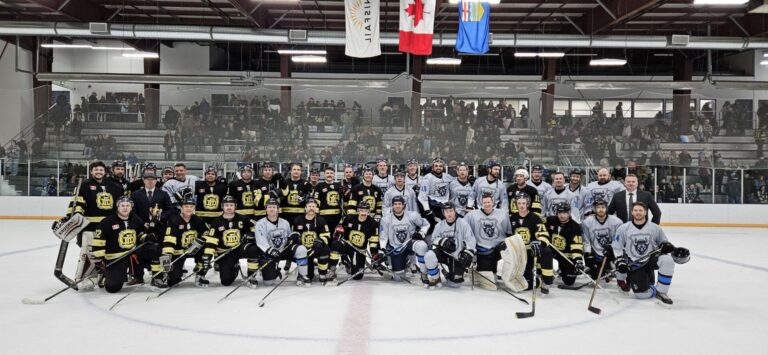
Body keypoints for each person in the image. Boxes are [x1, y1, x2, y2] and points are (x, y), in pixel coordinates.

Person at [612, 201, 690, 305]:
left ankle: (661, 291)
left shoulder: (655, 228)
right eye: (635, 210)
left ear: (645, 212)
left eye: (640, 210)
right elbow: (617, 247)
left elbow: (664, 242)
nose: (638, 212)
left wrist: (667, 246)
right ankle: (644, 282)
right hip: (635, 264)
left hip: (651, 259)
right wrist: (620, 261)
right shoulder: (623, 228)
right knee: (641, 295)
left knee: (667, 260)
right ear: (632, 212)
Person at [66, 161, 125, 288]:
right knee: (89, 253)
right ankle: (84, 279)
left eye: (101, 170)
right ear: (91, 171)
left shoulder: (114, 186)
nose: (99, 172)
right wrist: (72, 217)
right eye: (96, 170)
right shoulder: (84, 185)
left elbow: (121, 206)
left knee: (107, 253)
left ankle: (103, 277)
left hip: (109, 228)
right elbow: (78, 204)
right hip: (90, 227)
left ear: (105, 172)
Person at [92, 196, 163, 292]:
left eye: (127, 205)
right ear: (117, 207)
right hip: (116, 257)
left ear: (131, 207)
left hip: (133, 252)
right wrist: (100, 260)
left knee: (154, 248)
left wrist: (146, 237)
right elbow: (98, 242)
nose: (125, 208)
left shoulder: (135, 218)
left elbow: (139, 235)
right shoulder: (107, 222)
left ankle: (156, 276)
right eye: (122, 205)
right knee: (113, 288)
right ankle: (106, 275)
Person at [198, 195, 260, 287]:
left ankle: (251, 276)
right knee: (226, 281)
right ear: (222, 206)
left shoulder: (243, 218)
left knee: (253, 249)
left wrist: (251, 234)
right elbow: (211, 240)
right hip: (225, 252)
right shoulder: (216, 222)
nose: (229, 207)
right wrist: (208, 254)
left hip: (239, 248)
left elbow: (257, 227)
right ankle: (235, 268)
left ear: (235, 206)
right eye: (226, 205)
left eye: (231, 205)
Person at [377, 195, 432, 285]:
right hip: (396, 248)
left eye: (399, 204)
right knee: (398, 278)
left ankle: (424, 273)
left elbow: (426, 224)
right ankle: (404, 263)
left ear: (403, 205)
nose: (397, 206)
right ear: (392, 206)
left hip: (409, 243)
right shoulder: (386, 219)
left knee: (422, 246)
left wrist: (421, 233)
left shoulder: (412, 215)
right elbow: (383, 236)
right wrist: (382, 249)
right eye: (395, 204)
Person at [420, 202, 476, 288]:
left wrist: (467, 254)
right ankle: (435, 277)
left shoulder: (463, 224)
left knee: (455, 284)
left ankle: (448, 275)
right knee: (429, 255)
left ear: (454, 211)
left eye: (450, 211)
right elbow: (433, 239)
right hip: (443, 254)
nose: (449, 214)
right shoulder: (439, 225)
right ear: (443, 213)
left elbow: (470, 240)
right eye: (446, 212)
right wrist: (442, 241)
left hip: (457, 256)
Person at [464, 194, 513, 290]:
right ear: (481, 203)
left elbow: (508, 233)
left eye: (489, 202)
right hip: (483, 249)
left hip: (499, 247)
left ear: (493, 202)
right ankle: (482, 273)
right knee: (491, 283)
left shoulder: (502, 214)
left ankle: (509, 277)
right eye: (485, 202)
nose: (487, 204)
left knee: (511, 252)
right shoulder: (472, 215)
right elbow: (464, 229)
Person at [508, 193, 553, 293]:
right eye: (519, 203)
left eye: (524, 203)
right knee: (526, 285)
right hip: (519, 252)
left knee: (547, 251)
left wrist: (539, 242)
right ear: (516, 204)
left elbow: (543, 234)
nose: (521, 205)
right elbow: (508, 236)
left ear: (528, 204)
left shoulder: (535, 218)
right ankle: (537, 280)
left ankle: (546, 281)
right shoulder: (512, 218)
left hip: (532, 250)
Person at [161, 196, 208, 287]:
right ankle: (173, 274)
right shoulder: (174, 220)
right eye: (186, 206)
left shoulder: (198, 220)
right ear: (181, 208)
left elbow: (207, 233)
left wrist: (200, 241)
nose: (189, 208)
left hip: (194, 249)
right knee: (173, 281)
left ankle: (200, 274)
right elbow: (169, 238)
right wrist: (167, 255)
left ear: (194, 207)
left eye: (191, 206)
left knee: (206, 251)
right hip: (178, 252)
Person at [330, 201, 380, 281]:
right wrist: (338, 234)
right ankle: (332, 270)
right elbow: (339, 227)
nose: (363, 213)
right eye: (361, 210)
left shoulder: (373, 223)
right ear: (358, 210)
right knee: (336, 244)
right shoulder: (349, 218)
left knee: (357, 276)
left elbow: (373, 240)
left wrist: (374, 253)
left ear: (369, 212)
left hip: (360, 250)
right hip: (347, 245)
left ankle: (349, 263)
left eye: (366, 211)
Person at [291, 199, 333, 285]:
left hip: (316, 248)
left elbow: (327, 235)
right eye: (309, 206)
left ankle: (322, 274)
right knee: (309, 276)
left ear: (316, 208)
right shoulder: (297, 220)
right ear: (305, 208)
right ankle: (302, 274)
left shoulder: (321, 220)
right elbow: (293, 234)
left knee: (325, 250)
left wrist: (319, 242)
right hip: (304, 251)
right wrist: (295, 239)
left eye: (313, 206)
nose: (311, 208)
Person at [581, 199, 623, 282]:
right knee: (596, 276)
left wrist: (611, 247)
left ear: (606, 208)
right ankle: (599, 270)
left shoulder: (617, 222)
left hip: (611, 251)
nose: (601, 209)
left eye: (603, 207)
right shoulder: (587, 222)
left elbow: (618, 240)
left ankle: (610, 268)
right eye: (598, 207)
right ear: (594, 209)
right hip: (595, 252)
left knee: (621, 266)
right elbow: (586, 240)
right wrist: (588, 254)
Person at [543, 203, 583, 287]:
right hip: (552, 250)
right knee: (544, 252)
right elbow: (538, 221)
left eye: (564, 213)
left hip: (565, 254)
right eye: (560, 213)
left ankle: (562, 270)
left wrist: (578, 260)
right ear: (556, 213)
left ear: (569, 213)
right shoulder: (551, 220)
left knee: (569, 281)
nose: (562, 215)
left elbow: (577, 245)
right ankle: (544, 272)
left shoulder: (575, 227)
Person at [418, 158, 455, 229]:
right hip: (433, 206)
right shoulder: (427, 178)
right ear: (432, 167)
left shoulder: (447, 177)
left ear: (443, 168)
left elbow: (457, 181)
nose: (438, 167)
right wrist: (427, 209)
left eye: (440, 166)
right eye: (436, 166)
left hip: (445, 205)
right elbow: (422, 196)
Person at [314, 166, 345, 231]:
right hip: (323, 217)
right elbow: (316, 201)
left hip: (337, 217)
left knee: (335, 237)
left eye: (331, 173)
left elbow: (342, 200)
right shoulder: (319, 186)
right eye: (327, 173)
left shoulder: (338, 186)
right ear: (324, 175)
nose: (329, 175)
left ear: (334, 175)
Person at [283, 163, 311, 228]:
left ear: (301, 172)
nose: (296, 171)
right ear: (291, 171)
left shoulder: (306, 184)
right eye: (294, 169)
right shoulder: (284, 183)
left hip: (300, 215)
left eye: (298, 170)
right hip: (286, 215)